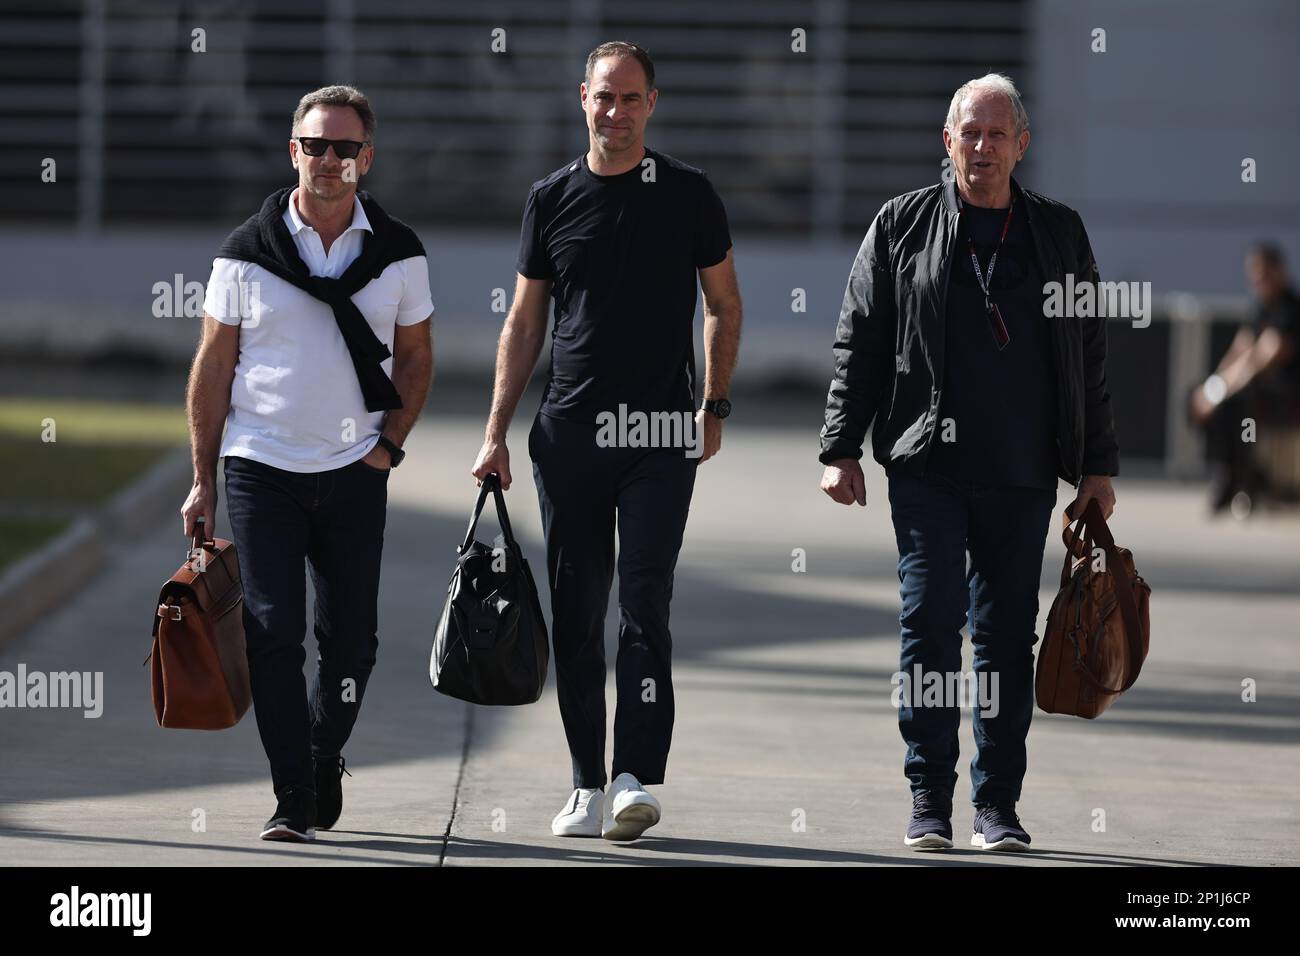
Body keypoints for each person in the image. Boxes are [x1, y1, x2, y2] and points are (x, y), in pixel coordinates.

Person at [818, 73, 1119, 852]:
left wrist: (1097, 466)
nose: (981, 148)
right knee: (928, 628)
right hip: (926, 466)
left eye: (996, 135)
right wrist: (840, 447)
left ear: (1022, 145)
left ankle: (997, 806)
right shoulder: (901, 226)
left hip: (1022, 473)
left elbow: (1090, 355)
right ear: (946, 141)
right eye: (968, 133)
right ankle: (928, 799)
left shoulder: (1058, 233)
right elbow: (861, 337)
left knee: (1004, 638)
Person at [471, 41, 742, 842]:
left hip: (661, 435)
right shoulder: (551, 198)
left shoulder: (689, 195)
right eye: (603, 98)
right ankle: (586, 781)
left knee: (645, 604)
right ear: (580, 100)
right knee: (577, 612)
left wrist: (713, 404)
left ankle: (633, 777)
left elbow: (722, 303)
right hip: (569, 435)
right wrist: (496, 432)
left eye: (631, 99)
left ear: (651, 104)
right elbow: (524, 322)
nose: (615, 112)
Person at [181, 85, 434, 842]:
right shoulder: (244, 254)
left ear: (367, 159)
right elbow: (212, 369)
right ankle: (292, 794)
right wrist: (203, 478)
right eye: (315, 146)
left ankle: (324, 753)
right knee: (272, 631)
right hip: (260, 467)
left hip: (357, 468)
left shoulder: (398, 253)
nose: (329, 160)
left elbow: (417, 359)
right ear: (294, 152)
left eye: (345, 148)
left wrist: (388, 447)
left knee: (353, 642)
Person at [1188, 242, 1300, 513]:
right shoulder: (1261, 309)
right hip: (1258, 393)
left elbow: (1260, 360)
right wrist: (1210, 389)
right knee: (1196, 397)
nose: (1257, 281)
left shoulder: (1289, 309)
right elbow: (1240, 351)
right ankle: (1228, 471)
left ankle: (1245, 480)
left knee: (1239, 408)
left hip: (1287, 396)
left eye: (1263, 274)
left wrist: (1220, 393)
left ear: (1279, 271)